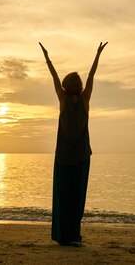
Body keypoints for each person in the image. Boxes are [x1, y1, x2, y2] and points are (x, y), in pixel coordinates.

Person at [39, 41, 108, 246]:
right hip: (81, 157)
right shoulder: (85, 100)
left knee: (62, 196)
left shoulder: (62, 99)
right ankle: (74, 235)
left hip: (62, 157)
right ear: (78, 87)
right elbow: (91, 76)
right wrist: (97, 55)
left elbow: (54, 76)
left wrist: (47, 58)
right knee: (76, 198)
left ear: (66, 86)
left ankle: (63, 236)